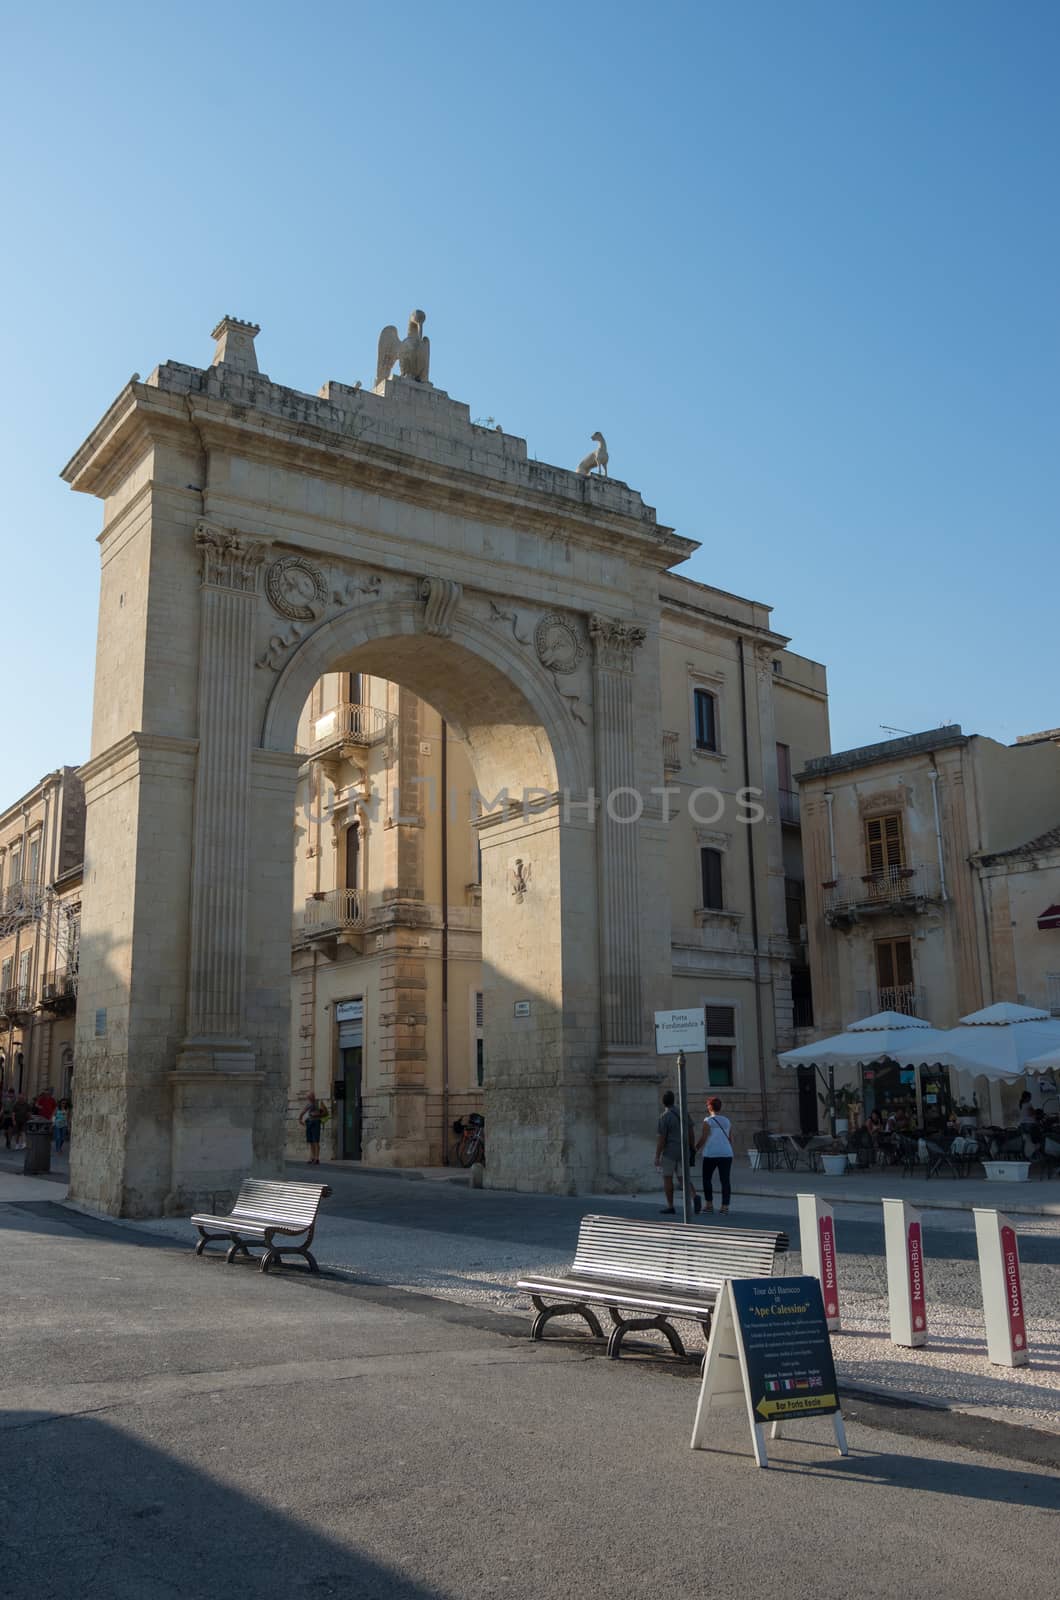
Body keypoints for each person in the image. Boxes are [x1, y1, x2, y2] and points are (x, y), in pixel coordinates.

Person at [653, 1090, 701, 1215]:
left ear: (663, 1102)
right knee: (683, 1177)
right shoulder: (684, 1112)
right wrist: (692, 1146)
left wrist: (657, 1156)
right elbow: (691, 1130)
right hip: (684, 1150)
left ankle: (670, 1206)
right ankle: (694, 1196)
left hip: (670, 1152)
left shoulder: (664, 1117)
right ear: (673, 1101)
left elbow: (662, 1139)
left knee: (667, 1178)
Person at [695, 1095, 735, 1215]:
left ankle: (709, 1205)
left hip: (711, 1153)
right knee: (725, 1180)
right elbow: (731, 1138)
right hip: (726, 1153)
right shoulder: (727, 1121)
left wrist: (695, 1149)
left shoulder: (708, 1121)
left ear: (710, 1107)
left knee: (707, 1179)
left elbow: (703, 1138)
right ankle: (725, 1207)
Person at [299, 1094, 324, 1165]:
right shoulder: (310, 1104)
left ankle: (316, 1158)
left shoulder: (316, 1104)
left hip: (315, 1123)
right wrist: (301, 1118)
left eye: (310, 1097)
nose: (309, 1098)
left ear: (312, 1097)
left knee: (315, 1141)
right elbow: (303, 1112)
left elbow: (303, 1112)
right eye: (309, 1097)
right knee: (311, 1141)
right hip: (309, 1122)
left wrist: (300, 1119)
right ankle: (312, 1157)